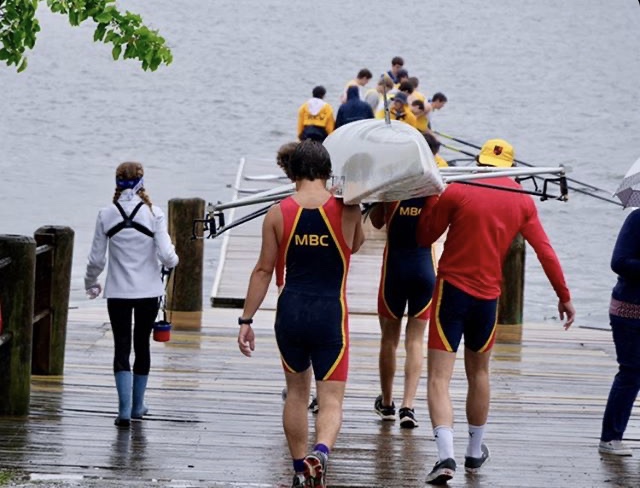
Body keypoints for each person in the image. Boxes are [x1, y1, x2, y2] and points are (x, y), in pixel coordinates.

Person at [416, 138, 576, 484]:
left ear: (481, 161)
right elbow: (545, 251)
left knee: (439, 378)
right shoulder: (522, 200)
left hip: (451, 293)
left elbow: (424, 235)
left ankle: (446, 456)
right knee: (480, 374)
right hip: (488, 298)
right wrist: (563, 296)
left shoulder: (458, 190)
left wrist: (431, 196)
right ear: (511, 167)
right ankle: (474, 452)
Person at [237, 140, 364, 488]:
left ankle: (298, 469)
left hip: (290, 311)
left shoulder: (278, 212)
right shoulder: (348, 209)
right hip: (330, 314)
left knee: (296, 392)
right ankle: (319, 454)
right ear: (326, 173)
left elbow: (263, 271)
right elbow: (357, 244)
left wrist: (246, 320)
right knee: (331, 399)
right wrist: (349, 200)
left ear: (293, 173)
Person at [84, 161, 179, 427]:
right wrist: (174, 262)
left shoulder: (106, 214)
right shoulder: (154, 214)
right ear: (141, 182)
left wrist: (91, 283)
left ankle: (123, 410)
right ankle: (138, 406)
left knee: (121, 346)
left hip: (118, 293)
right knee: (142, 345)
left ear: (116, 182)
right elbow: (167, 256)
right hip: (149, 292)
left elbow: (96, 260)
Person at [370, 195, 437, 429]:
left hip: (394, 271)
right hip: (424, 269)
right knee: (416, 340)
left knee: (389, 340)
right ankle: (408, 406)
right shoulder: (434, 189)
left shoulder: (391, 189)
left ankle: (387, 403)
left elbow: (376, 221)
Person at [599, 207, 640, 456]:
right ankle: (611, 437)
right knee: (632, 372)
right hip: (630, 310)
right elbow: (619, 262)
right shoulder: (637, 219)